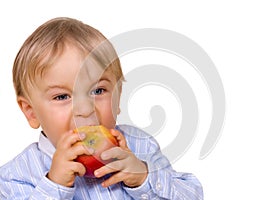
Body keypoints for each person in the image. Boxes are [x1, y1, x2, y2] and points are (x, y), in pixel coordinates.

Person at [0, 17, 203, 199]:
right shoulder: (16, 176)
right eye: (62, 96)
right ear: (31, 112)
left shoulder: (142, 147)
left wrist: (144, 178)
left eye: (98, 91)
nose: (85, 110)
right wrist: (54, 185)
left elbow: (193, 195)